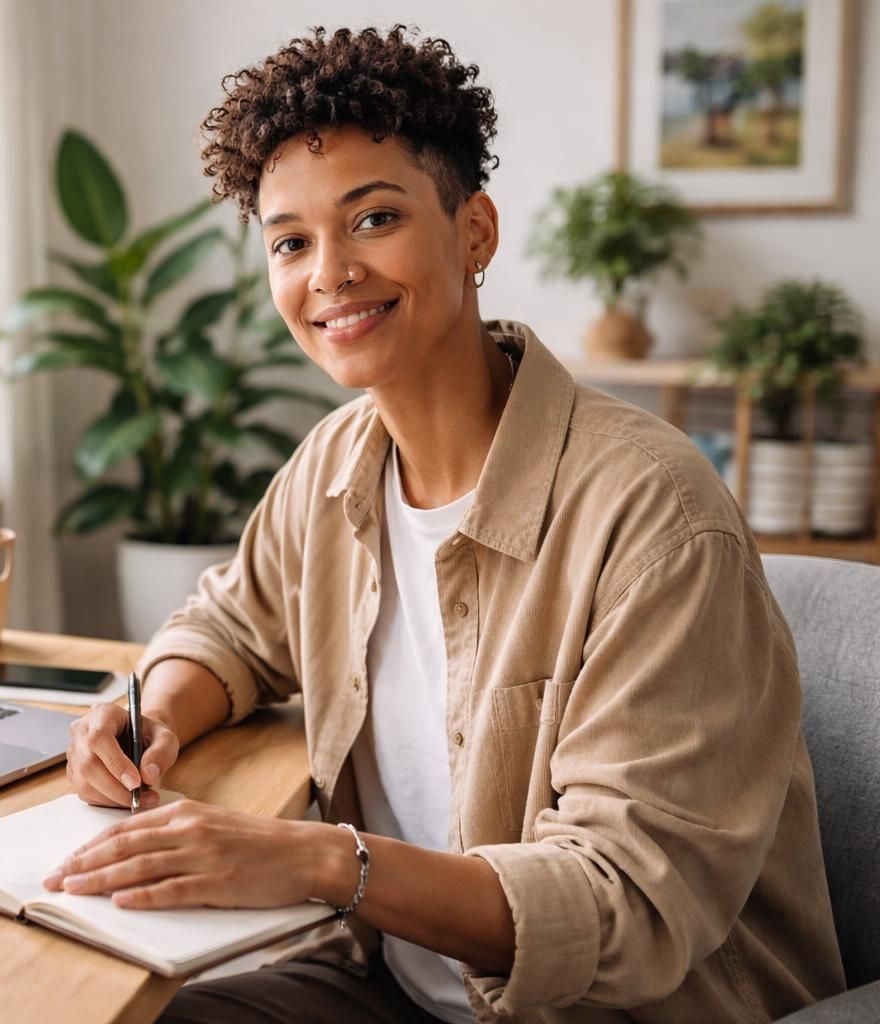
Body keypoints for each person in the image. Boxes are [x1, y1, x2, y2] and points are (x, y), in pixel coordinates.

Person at [41, 25, 845, 1024]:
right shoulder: (335, 464)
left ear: (475, 232)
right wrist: (155, 713)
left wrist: (319, 861)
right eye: (291, 242)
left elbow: (625, 904)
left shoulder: (654, 513)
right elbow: (231, 626)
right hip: (402, 986)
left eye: (373, 218)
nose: (329, 272)